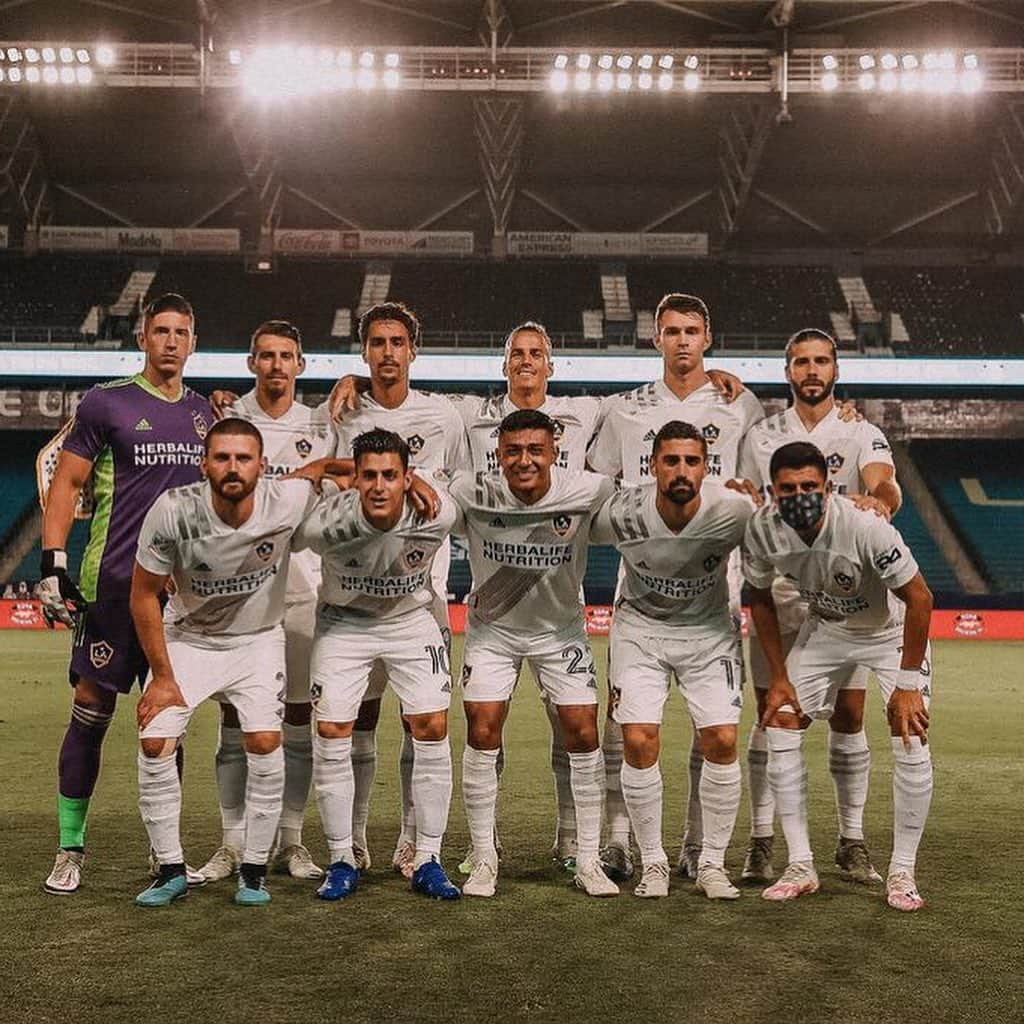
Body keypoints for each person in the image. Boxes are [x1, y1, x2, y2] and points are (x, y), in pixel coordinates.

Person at [328, 318, 747, 873]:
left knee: (571, 728)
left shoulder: (587, 411)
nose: (526, 361)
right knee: (469, 726)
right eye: (516, 353)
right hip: (487, 594)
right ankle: (475, 845)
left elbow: (648, 402)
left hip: (558, 601)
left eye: (536, 353)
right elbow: (398, 390)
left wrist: (703, 371)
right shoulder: (468, 415)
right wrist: (356, 378)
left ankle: (575, 840)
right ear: (504, 365)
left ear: (551, 365)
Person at [588, 292, 764, 882]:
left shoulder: (740, 404)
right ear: (655, 338)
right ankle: (624, 843)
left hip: (715, 592)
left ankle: (697, 848)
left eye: (692, 331)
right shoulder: (625, 410)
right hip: (639, 587)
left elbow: (759, 491)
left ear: (707, 338)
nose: (683, 341)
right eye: (672, 331)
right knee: (632, 730)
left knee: (713, 732)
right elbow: (594, 484)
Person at [39, 293, 211, 896]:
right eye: (160, 330)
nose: (170, 340)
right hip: (113, 585)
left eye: (181, 332)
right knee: (91, 713)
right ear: (144, 337)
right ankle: (69, 849)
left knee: (168, 720)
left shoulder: (206, 416)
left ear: (193, 341)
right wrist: (53, 560)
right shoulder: (106, 401)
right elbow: (67, 481)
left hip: (181, 596)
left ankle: (165, 853)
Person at [131, 418, 319, 906]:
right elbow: (143, 596)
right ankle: (170, 869)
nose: (232, 467)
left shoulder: (287, 499)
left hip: (256, 642)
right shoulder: (172, 511)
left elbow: (323, 470)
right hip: (188, 640)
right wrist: (163, 678)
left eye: (243, 458)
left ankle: (253, 871)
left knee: (263, 740)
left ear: (262, 466)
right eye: (222, 458)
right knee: (155, 741)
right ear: (204, 464)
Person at [737, 328, 902, 884]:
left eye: (822, 361)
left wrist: (878, 498)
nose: (812, 370)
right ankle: (762, 841)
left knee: (851, 715)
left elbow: (886, 484)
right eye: (802, 362)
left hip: (845, 593)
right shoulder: (760, 435)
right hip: (782, 589)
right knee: (773, 712)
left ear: (835, 370)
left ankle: (850, 840)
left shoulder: (860, 430)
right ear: (788, 372)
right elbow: (750, 497)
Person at [744, 441, 934, 912]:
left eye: (809, 486)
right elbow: (760, 598)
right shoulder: (764, 531)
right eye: (788, 489)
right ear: (773, 492)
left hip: (886, 634)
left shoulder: (865, 528)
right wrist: (781, 675)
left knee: (909, 733)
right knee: (780, 720)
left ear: (828, 488)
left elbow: (920, 598)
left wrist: (908, 685)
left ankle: (903, 872)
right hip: (825, 627)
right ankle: (801, 865)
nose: (800, 495)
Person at [450, 409, 616, 898]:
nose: (524, 460)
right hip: (492, 632)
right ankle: (483, 858)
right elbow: (431, 498)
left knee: (584, 732)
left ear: (555, 452)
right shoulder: (471, 489)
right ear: (498, 453)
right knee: (482, 729)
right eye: (513, 451)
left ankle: (588, 860)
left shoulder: (589, 489)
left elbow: (633, 502)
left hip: (560, 631)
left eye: (535, 451)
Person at [329, 301, 468, 878]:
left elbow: (459, 491)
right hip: (355, 598)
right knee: (357, 720)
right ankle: (355, 838)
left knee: (423, 720)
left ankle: (414, 838)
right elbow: (327, 477)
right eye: (377, 343)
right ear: (364, 352)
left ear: (414, 350)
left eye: (397, 343)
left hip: (423, 600)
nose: (387, 353)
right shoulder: (341, 412)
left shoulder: (443, 416)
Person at [293, 428, 460, 902]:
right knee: (331, 731)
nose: (380, 486)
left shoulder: (437, 511)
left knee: (430, 725)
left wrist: (422, 483)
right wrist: (322, 469)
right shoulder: (324, 522)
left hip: (410, 619)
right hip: (344, 625)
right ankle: (342, 858)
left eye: (391, 475)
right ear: (355, 479)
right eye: (369, 476)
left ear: (409, 478)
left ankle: (428, 857)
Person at [200, 321, 332, 883]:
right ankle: (232, 842)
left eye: (287, 356)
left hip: (304, 587)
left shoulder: (325, 424)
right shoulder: (228, 421)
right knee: (234, 722)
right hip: (241, 591)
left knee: (298, 721)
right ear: (251, 362)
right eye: (267, 356)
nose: (277, 365)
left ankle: (292, 841)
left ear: (300, 364)